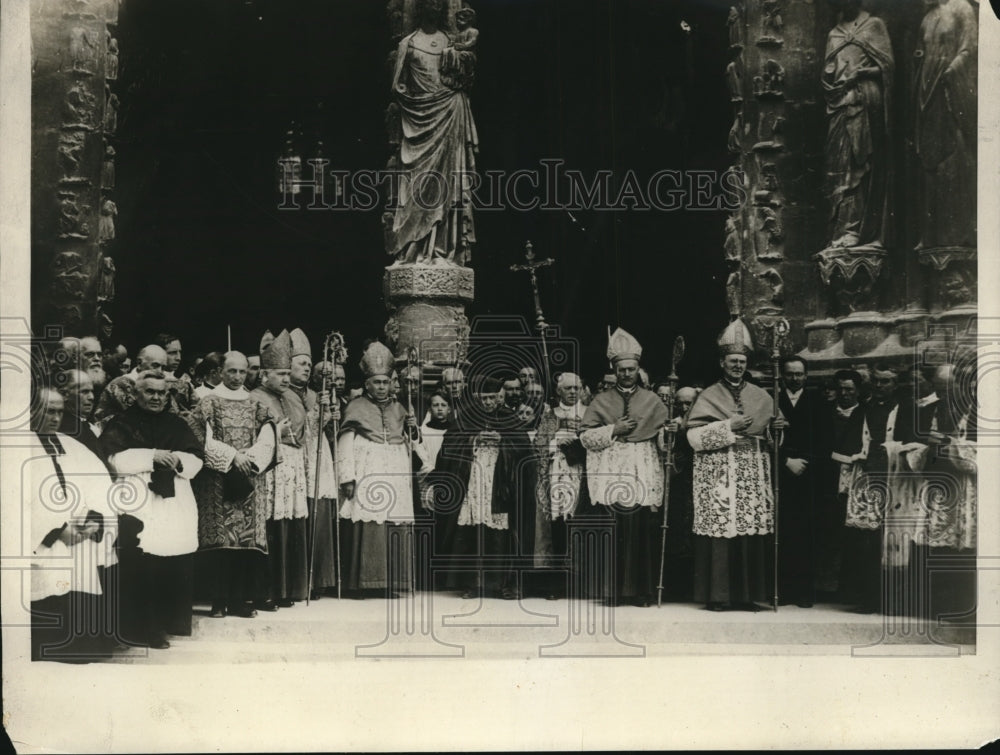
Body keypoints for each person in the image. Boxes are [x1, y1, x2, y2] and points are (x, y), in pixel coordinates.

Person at [685, 320, 786, 612]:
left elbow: (770, 437)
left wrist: (775, 430)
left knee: (748, 531)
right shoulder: (708, 395)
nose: (738, 366)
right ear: (722, 362)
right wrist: (729, 426)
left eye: (742, 361)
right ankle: (718, 596)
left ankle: (748, 596)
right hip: (718, 472)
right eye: (733, 361)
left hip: (752, 470)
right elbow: (693, 437)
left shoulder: (762, 395)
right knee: (721, 532)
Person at [102, 372, 204, 649]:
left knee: (172, 556)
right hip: (139, 499)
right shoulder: (122, 423)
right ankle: (144, 629)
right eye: (150, 392)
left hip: (174, 502)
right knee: (143, 560)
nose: (157, 397)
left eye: (162, 393)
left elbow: (196, 460)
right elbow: (112, 460)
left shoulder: (177, 424)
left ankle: (171, 623)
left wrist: (177, 460)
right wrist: (151, 456)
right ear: (136, 395)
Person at [580, 328, 670, 607]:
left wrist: (670, 431)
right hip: (611, 471)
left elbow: (662, 441)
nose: (627, 374)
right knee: (613, 529)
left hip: (640, 471)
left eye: (631, 369)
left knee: (641, 532)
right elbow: (585, 438)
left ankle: (641, 592)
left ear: (638, 369)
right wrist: (613, 429)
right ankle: (612, 591)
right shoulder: (600, 401)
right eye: (622, 370)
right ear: (614, 370)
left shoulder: (653, 400)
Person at [187, 352, 279, 619]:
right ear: (221, 372)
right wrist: (232, 457)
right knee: (220, 540)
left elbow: (268, 437)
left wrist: (249, 460)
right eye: (232, 372)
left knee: (246, 541)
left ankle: (241, 599)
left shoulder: (257, 404)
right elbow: (200, 436)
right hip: (217, 479)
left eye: (242, 371)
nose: (237, 377)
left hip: (249, 477)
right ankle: (218, 600)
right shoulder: (208, 402)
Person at [387, 0, 478, 265]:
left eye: (440, 5)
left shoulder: (453, 42)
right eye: (430, 4)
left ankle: (441, 249)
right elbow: (398, 86)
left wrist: (462, 63)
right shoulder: (409, 43)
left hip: (449, 114)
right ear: (420, 8)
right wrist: (413, 101)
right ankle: (411, 250)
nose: (435, 9)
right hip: (417, 123)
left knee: (448, 184)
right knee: (415, 187)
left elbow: (464, 77)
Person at [29, 388, 116, 662]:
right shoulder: (14, 448)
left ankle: (81, 648)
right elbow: (16, 501)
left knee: (78, 579)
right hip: (43, 542)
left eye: (59, 411)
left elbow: (99, 485)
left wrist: (93, 521)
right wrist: (55, 530)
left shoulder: (73, 446)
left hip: (79, 539)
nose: (55, 418)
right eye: (48, 411)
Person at [431, 375, 535, 600]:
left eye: (492, 398)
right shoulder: (467, 417)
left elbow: (524, 449)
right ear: (477, 397)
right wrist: (474, 439)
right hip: (474, 480)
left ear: (500, 395)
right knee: (473, 530)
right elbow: (450, 444)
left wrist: (501, 440)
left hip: (500, 482)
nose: (488, 403)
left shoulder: (509, 417)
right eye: (484, 398)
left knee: (500, 531)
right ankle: (473, 584)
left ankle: (500, 585)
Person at [337, 341, 417, 597]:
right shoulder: (355, 407)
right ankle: (362, 583)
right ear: (367, 384)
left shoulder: (399, 407)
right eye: (377, 382)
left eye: (385, 382)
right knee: (367, 519)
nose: (382, 387)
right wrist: (347, 477)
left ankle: (391, 582)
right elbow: (345, 444)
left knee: (393, 518)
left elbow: (412, 443)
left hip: (393, 472)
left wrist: (412, 427)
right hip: (366, 472)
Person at [821, 0, 894, 250]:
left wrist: (861, 74)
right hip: (838, 105)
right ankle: (838, 230)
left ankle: (856, 230)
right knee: (838, 166)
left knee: (858, 163)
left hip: (863, 103)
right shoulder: (834, 33)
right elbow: (828, 72)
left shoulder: (874, 25)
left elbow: (887, 66)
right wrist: (832, 80)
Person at [249, 330, 309, 609]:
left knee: (290, 526)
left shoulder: (294, 397)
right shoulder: (255, 398)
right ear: (264, 375)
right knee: (270, 527)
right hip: (270, 470)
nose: (286, 379)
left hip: (292, 468)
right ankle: (267, 589)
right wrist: (275, 431)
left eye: (288, 373)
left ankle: (289, 589)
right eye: (280, 374)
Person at [287, 328, 339, 600]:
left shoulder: (314, 393)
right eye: (302, 363)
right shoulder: (284, 394)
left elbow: (325, 432)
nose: (307, 368)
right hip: (298, 458)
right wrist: (315, 413)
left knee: (320, 513)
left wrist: (331, 416)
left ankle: (318, 579)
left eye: (309, 364)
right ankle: (299, 582)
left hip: (320, 456)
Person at [775, 357, 826, 607]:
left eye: (799, 374)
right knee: (783, 532)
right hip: (781, 473)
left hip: (809, 475)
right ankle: (783, 590)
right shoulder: (772, 400)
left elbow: (824, 439)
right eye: (790, 374)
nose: (794, 379)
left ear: (806, 376)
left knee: (807, 533)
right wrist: (786, 461)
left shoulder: (819, 401)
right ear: (782, 375)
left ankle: (805, 591)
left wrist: (805, 462)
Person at [533, 372, 587, 599]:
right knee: (557, 529)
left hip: (582, 476)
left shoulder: (590, 412)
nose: (573, 392)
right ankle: (556, 585)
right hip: (555, 475)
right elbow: (540, 443)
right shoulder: (549, 415)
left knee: (579, 526)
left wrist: (580, 440)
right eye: (568, 388)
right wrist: (557, 441)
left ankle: (581, 583)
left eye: (576, 388)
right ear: (558, 391)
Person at [820, 369, 869, 601]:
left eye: (849, 389)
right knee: (827, 531)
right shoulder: (826, 412)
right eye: (840, 388)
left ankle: (849, 589)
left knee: (853, 534)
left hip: (857, 478)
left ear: (858, 391)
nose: (844, 393)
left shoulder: (866, 413)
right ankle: (826, 586)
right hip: (828, 479)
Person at [95, 344, 198, 423]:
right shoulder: (121, 384)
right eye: (155, 365)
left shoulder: (159, 384)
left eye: (163, 367)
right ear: (139, 363)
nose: (160, 372)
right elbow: (143, 417)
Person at [56, 369, 107, 465]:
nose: (91, 397)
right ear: (64, 395)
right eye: (84, 392)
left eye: (92, 391)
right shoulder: (71, 428)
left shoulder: (82, 425)